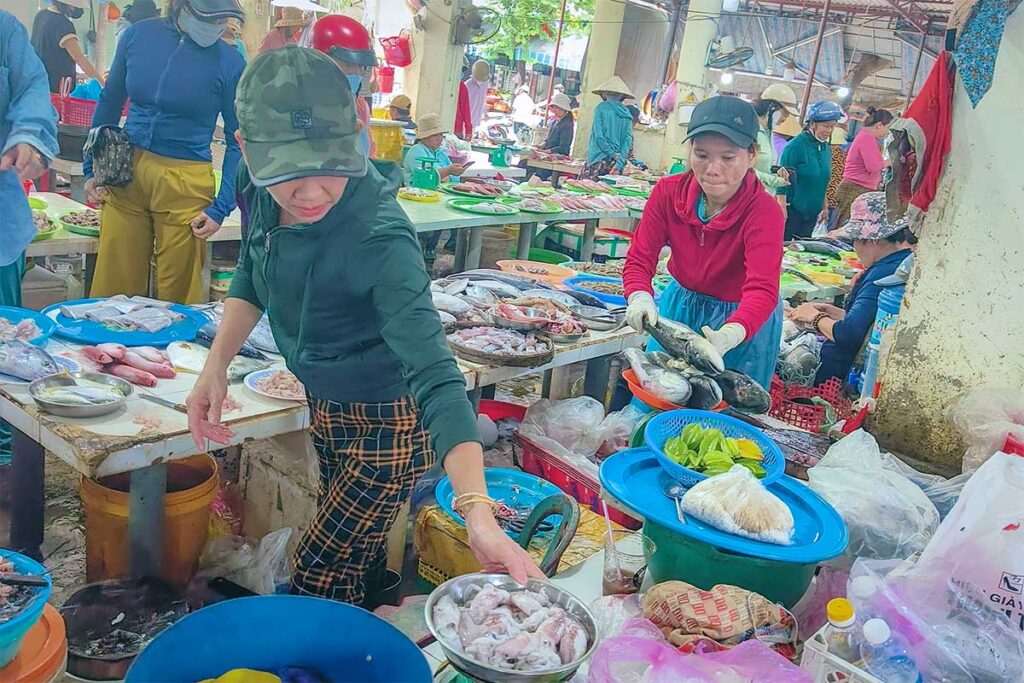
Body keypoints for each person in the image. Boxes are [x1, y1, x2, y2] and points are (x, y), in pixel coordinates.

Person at [186, 46, 541, 605]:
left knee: (317, 566)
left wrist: (477, 511)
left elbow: (437, 375)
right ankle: (366, 620)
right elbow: (254, 274)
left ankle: (331, 646)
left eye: (329, 167)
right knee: (358, 547)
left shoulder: (380, 238)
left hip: (390, 422)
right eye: (288, 173)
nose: (309, 193)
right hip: (325, 399)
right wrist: (216, 368)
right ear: (246, 151)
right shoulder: (257, 189)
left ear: (356, 135)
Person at [85, 0, 246, 304]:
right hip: (125, 173)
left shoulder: (230, 62)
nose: (216, 27)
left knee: (179, 297)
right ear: (181, 7)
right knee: (112, 291)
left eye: (222, 20)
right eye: (208, 18)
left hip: (185, 182)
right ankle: (106, 352)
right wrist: (91, 166)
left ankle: (175, 353)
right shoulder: (137, 36)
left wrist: (220, 207)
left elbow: (238, 139)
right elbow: (110, 100)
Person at [623, 96, 784, 388]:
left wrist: (732, 332)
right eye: (701, 154)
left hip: (742, 317)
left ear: (751, 155)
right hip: (679, 306)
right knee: (663, 394)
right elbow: (640, 258)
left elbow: (763, 289)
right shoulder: (668, 193)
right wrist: (639, 296)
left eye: (727, 157)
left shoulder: (765, 212)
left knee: (724, 412)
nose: (712, 168)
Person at [0, 11, 59, 460]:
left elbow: (33, 92)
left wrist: (29, 139)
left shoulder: (5, 31)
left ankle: (5, 458)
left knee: (6, 348)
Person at [789, 192, 913, 386]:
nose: (854, 247)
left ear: (870, 240)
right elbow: (866, 323)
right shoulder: (899, 263)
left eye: (855, 240)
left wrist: (814, 318)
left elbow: (849, 334)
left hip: (836, 378)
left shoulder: (881, 275)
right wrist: (833, 312)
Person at [311, 15, 376, 158]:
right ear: (318, 62)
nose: (357, 73)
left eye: (361, 67)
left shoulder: (360, 106)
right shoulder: (296, 103)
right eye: (349, 65)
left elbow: (369, 154)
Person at [779, 100, 844, 240]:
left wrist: (825, 206)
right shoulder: (795, 146)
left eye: (832, 126)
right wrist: (782, 207)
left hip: (813, 212)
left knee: (803, 250)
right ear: (812, 123)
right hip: (792, 211)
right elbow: (781, 179)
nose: (829, 130)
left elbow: (822, 179)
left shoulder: (825, 148)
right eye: (825, 126)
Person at [835, 107, 893, 224]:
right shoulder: (867, 138)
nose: (887, 132)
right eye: (887, 128)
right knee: (846, 227)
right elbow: (873, 167)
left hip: (857, 187)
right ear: (879, 125)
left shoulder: (866, 137)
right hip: (856, 188)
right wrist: (890, 162)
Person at [31, 0, 105, 92]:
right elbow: (79, 58)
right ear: (69, 5)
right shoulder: (63, 24)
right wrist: (102, 83)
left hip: (38, 83)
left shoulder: (41, 16)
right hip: (58, 88)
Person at [582, 76, 634, 179]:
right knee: (609, 193)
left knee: (588, 193)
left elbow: (599, 136)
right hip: (615, 163)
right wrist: (619, 161)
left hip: (598, 159)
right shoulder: (626, 112)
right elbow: (628, 140)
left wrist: (611, 153)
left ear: (604, 94)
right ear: (622, 96)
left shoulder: (600, 108)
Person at [751, 83, 798, 193]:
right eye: (785, 113)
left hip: (762, 199)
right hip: (747, 200)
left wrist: (776, 170)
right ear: (772, 107)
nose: (786, 118)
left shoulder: (768, 133)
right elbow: (741, 170)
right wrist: (774, 181)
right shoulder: (751, 130)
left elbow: (763, 166)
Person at [403, 114, 469, 185]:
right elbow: (425, 178)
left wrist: (449, 174)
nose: (439, 138)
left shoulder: (440, 153)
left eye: (441, 134)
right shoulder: (416, 150)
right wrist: (448, 171)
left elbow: (455, 177)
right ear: (424, 137)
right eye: (434, 135)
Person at [464, 59, 490, 130]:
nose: (481, 82)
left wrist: (485, 113)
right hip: (465, 123)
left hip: (475, 121)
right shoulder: (467, 86)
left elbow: (483, 99)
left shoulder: (485, 84)